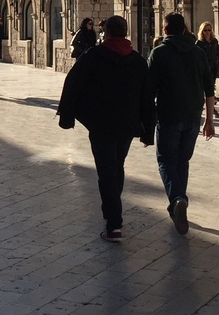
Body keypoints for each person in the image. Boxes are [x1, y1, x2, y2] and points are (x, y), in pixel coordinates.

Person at [58, 15, 154, 242]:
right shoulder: (138, 61)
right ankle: (114, 213)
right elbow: (148, 98)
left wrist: (68, 117)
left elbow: (73, 83)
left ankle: (114, 224)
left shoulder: (94, 56)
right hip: (127, 125)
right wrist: (148, 130)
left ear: (107, 33)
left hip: (101, 124)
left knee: (106, 171)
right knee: (116, 166)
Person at [146, 13, 216, 235]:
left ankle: (178, 199)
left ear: (165, 31)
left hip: (168, 116)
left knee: (166, 161)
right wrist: (209, 121)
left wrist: (145, 121)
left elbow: (149, 90)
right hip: (193, 117)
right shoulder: (198, 52)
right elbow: (209, 89)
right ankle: (178, 206)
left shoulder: (159, 53)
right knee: (182, 161)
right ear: (185, 29)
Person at [196, 22, 219, 120]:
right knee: (204, 89)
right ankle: (209, 109)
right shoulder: (199, 43)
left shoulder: (214, 41)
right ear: (202, 31)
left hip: (212, 68)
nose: (207, 32)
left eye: (209, 30)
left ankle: (211, 109)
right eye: (205, 30)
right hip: (203, 70)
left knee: (211, 88)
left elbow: (217, 53)